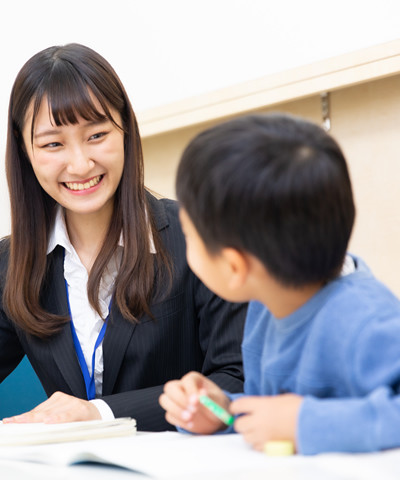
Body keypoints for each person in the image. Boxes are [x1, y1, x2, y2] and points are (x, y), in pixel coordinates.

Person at [0, 43, 246, 432]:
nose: (80, 164)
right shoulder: (12, 263)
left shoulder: (200, 234)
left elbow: (236, 386)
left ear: (126, 132)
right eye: (52, 144)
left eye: (96, 135)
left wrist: (99, 413)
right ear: (26, 153)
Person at [159, 112, 400, 454]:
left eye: (188, 235)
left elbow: (298, 417)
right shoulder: (265, 305)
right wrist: (224, 411)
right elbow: (275, 410)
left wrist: (304, 424)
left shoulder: (365, 317)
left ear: (234, 266)